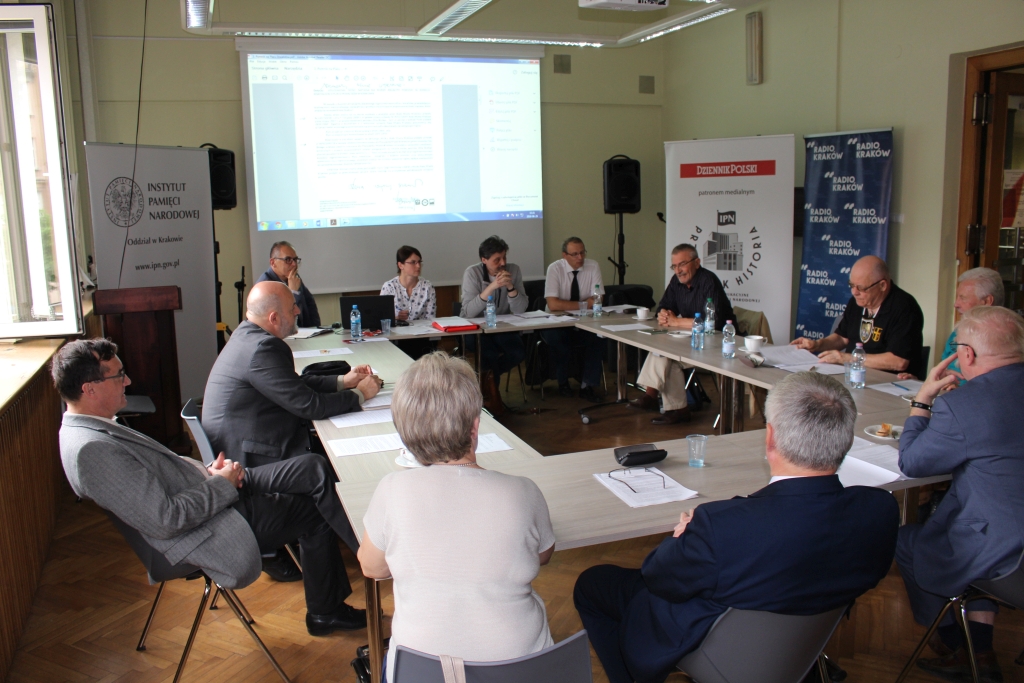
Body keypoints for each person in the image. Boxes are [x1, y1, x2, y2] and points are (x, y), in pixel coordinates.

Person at [575, 371, 899, 683]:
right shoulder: (880, 511)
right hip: (799, 650)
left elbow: (658, 577)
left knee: (592, 584)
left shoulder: (721, 527)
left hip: (721, 654)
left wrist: (680, 538)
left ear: (770, 437)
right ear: (845, 441)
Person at [53, 339, 368, 635]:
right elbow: (166, 519)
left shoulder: (93, 427)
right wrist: (220, 484)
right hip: (207, 528)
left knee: (311, 466)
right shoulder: (91, 450)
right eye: (119, 375)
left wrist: (208, 473)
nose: (128, 381)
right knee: (314, 510)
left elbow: (159, 479)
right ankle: (335, 601)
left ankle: (363, 554)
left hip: (210, 495)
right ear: (89, 389)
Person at [356, 352, 555, 683]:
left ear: (405, 434)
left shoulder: (391, 490)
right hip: (520, 670)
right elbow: (543, 555)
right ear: (475, 425)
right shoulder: (523, 491)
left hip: (421, 673)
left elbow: (373, 568)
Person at [203, 281, 381, 561]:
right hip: (250, 460)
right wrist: (360, 394)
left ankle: (362, 543)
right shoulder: (263, 348)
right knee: (324, 465)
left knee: (328, 458)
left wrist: (342, 381)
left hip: (246, 442)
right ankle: (368, 551)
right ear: (274, 318)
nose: (298, 310)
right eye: (292, 307)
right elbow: (308, 405)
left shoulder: (247, 336)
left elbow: (293, 385)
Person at [895, 306, 1024, 683]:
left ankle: (955, 642)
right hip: (1011, 539)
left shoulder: (963, 404)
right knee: (976, 523)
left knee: (907, 540)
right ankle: (980, 649)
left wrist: (922, 401)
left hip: (1009, 562)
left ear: (966, 354)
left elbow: (912, 462)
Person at [630, 243, 734, 424]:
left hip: (718, 343)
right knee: (666, 353)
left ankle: (654, 396)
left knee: (665, 353)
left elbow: (713, 322)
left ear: (697, 262)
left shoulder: (708, 281)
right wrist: (663, 315)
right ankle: (677, 409)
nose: (678, 270)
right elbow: (663, 307)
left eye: (682, 264)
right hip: (690, 340)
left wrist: (677, 322)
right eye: (675, 266)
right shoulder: (676, 281)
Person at [791, 255, 924, 377]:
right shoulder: (858, 302)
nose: (854, 292)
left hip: (887, 381)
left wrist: (847, 358)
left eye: (861, 288)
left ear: (882, 285)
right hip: (853, 375)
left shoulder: (905, 308)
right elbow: (842, 338)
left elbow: (899, 361)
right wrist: (817, 344)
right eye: (851, 285)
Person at [460, 236, 528, 404]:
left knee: (518, 352)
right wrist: (492, 287)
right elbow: (469, 312)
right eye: (497, 260)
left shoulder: (514, 270)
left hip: (500, 326)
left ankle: (487, 382)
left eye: (504, 257)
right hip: (474, 328)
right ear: (484, 260)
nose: (502, 263)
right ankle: (492, 398)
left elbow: (520, 309)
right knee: (488, 354)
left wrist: (510, 287)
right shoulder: (472, 273)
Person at [541, 236, 606, 402]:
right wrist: (584, 304)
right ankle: (563, 383)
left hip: (584, 321)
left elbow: (598, 299)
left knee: (598, 337)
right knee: (558, 340)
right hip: (555, 321)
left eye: (582, 252)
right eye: (575, 254)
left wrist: (573, 305)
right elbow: (553, 304)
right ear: (565, 255)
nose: (580, 257)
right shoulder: (554, 268)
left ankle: (587, 385)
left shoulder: (593, 266)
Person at [380, 245, 437, 360]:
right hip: (396, 339)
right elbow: (381, 317)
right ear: (400, 265)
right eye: (413, 262)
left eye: (419, 262)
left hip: (421, 338)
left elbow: (431, 319)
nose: (418, 266)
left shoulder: (427, 287)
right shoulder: (389, 287)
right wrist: (395, 317)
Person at [256, 241, 320, 327]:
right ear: (273, 263)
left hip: (304, 332)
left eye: (295, 259)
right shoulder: (265, 286)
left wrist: (316, 329)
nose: (294, 264)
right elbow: (281, 321)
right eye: (288, 260)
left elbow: (310, 304)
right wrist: (293, 293)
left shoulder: (293, 277)